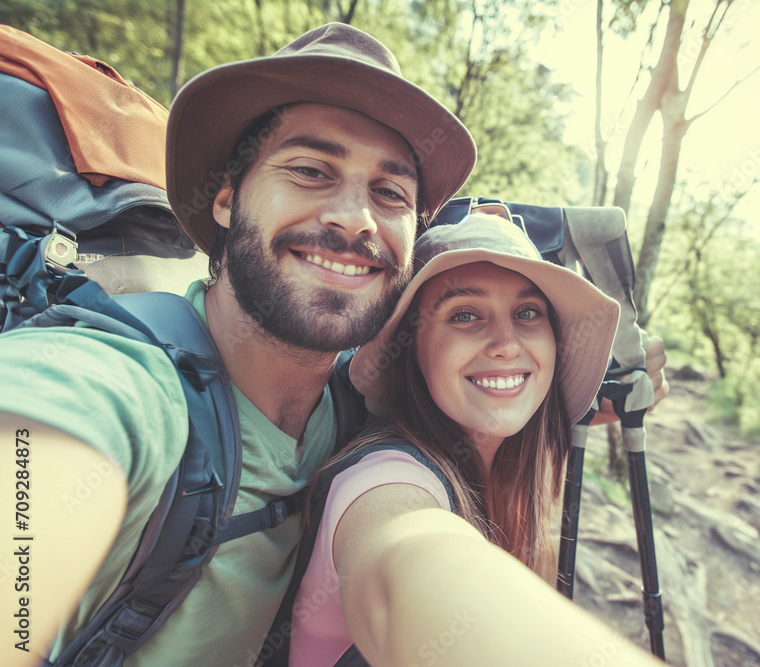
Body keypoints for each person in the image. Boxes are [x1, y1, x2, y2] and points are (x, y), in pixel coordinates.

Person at [0, 22, 666, 667]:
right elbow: (404, 565)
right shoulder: (105, 389)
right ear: (228, 198)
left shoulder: (345, 394)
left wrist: (594, 390)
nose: (355, 218)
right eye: (312, 170)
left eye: (390, 191)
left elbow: (469, 390)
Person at [289, 214, 664, 667]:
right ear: (411, 350)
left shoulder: (514, 449)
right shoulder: (386, 479)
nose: (507, 344)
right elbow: (409, 558)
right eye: (464, 315)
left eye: (528, 313)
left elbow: (553, 416)